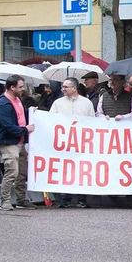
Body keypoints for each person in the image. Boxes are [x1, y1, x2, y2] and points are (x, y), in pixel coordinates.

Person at [49, 78, 95, 208]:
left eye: (66, 87)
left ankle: (82, 198)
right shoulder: (57, 103)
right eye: (62, 87)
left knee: (82, 169)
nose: (63, 89)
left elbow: (93, 121)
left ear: (74, 88)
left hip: (82, 141)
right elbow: (50, 119)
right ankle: (65, 198)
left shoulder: (86, 103)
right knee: (65, 169)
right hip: (64, 142)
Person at [0, 76, 33, 210]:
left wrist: (31, 112)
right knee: (12, 171)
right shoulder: (3, 103)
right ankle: (5, 200)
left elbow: (20, 116)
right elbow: (7, 125)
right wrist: (24, 130)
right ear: (12, 87)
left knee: (21, 171)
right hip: (8, 142)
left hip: (18, 140)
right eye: (20, 87)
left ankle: (21, 199)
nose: (22, 89)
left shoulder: (17, 100)